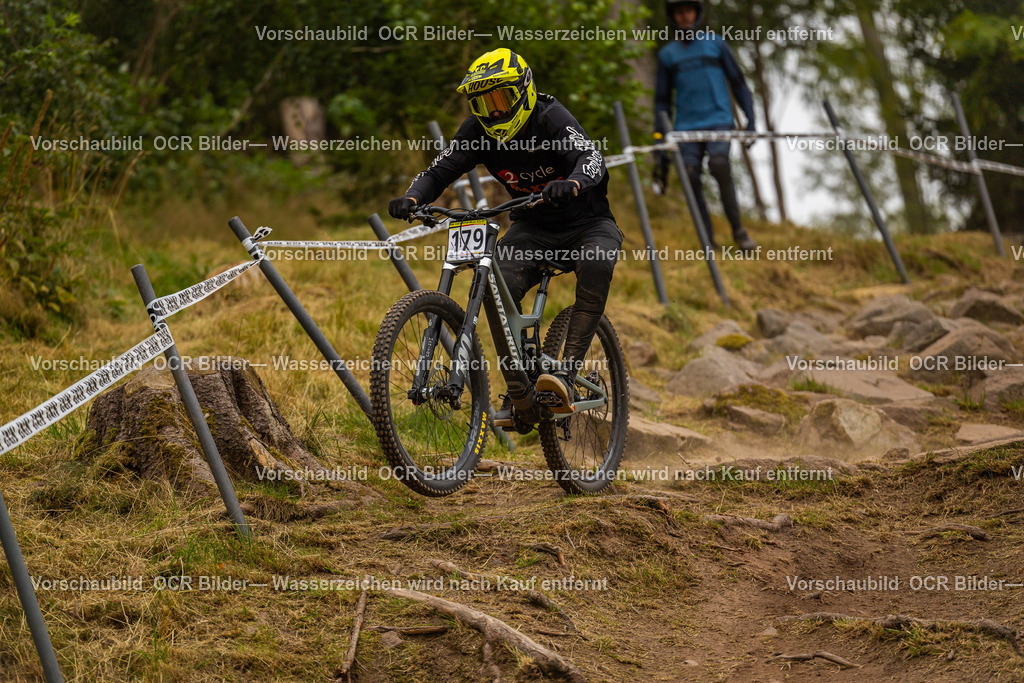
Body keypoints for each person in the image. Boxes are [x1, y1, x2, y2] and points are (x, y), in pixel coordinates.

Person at [388, 48, 622, 424]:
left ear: (524, 91)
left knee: (595, 269)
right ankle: (521, 391)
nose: (494, 111)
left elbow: (591, 158)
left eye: (501, 99)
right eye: (484, 102)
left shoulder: (550, 118)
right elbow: (441, 169)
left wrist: (574, 183)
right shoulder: (478, 131)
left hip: (588, 224)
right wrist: (413, 197)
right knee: (498, 291)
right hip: (532, 227)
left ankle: (566, 376)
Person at [654, 0, 758, 252]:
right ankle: (708, 240)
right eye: (679, 12)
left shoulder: (716, 43)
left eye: (688, 10)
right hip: (685, 127)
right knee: (689, 176)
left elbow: (738, 82)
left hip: (719, 120)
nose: (684, 16)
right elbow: (662, 102)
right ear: (674, 16)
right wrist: (659, 140)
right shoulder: (667, 55)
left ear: (696, 13)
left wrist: (751, 119)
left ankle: (738, 231)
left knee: (720, 165)